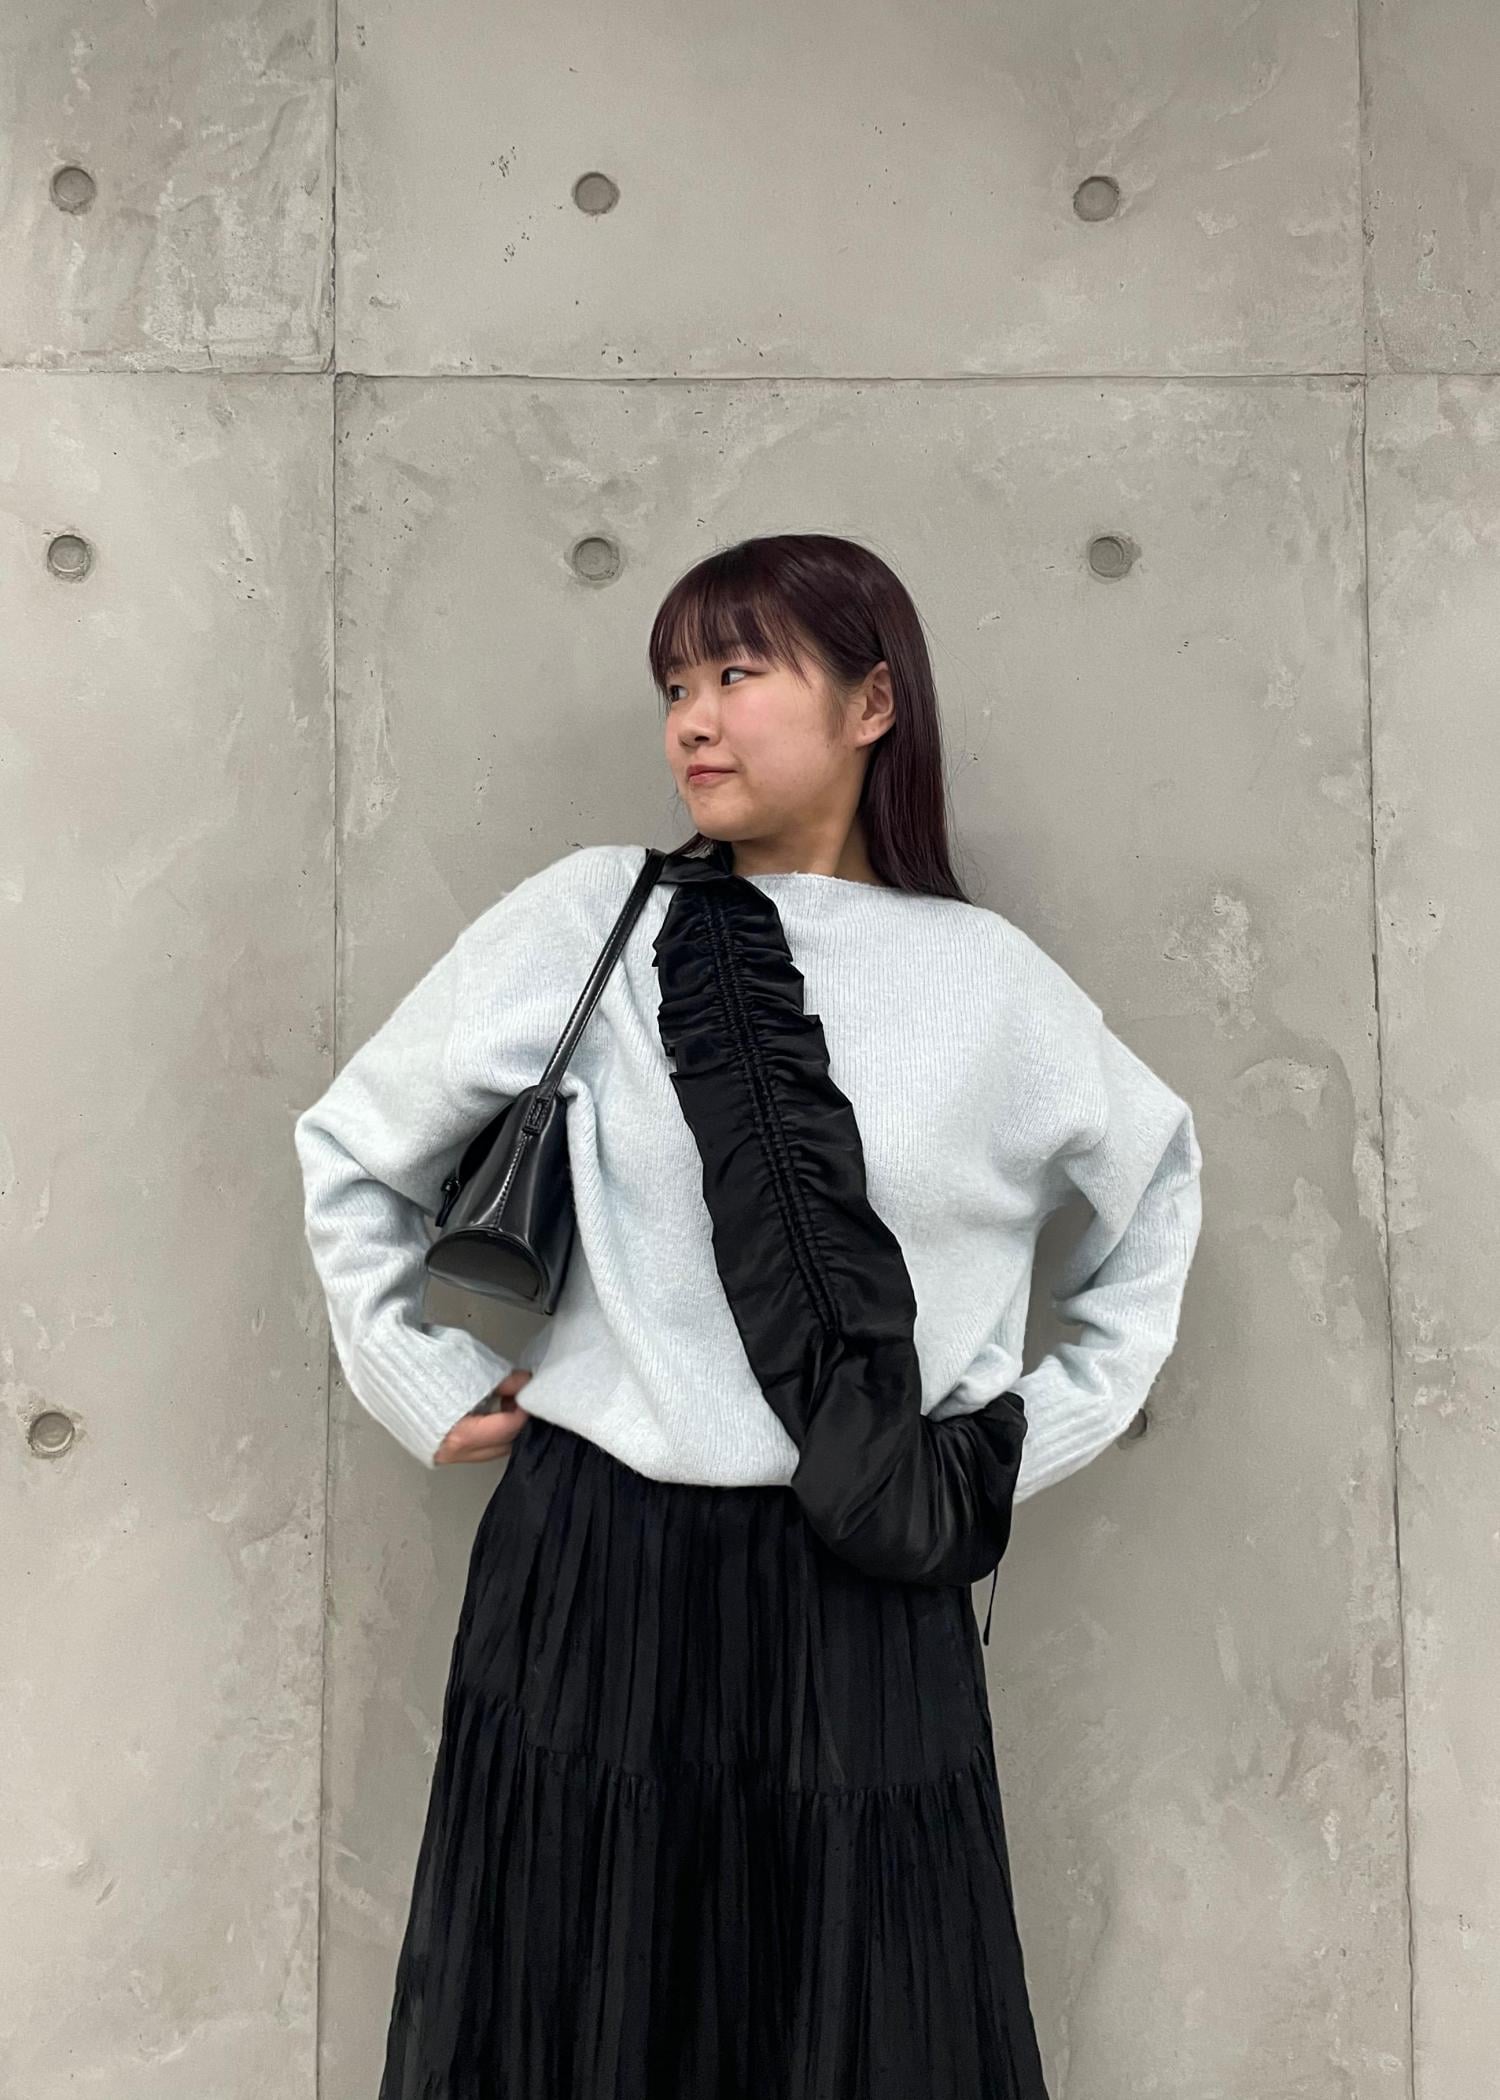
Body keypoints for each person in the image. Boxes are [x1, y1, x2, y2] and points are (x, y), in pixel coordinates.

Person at [293, 532, 1203, 2100]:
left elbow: (1159, 1194)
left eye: (736, 673)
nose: (692, 721)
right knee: (570, 2014)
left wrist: (1004, 1449)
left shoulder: (991, 986)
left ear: (872, 703)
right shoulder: (597, 919)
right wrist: (412, 1370)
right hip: (594, 1569)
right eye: (673, 686)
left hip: (864, 1585)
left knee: (865, 2027)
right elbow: (352, 1146)